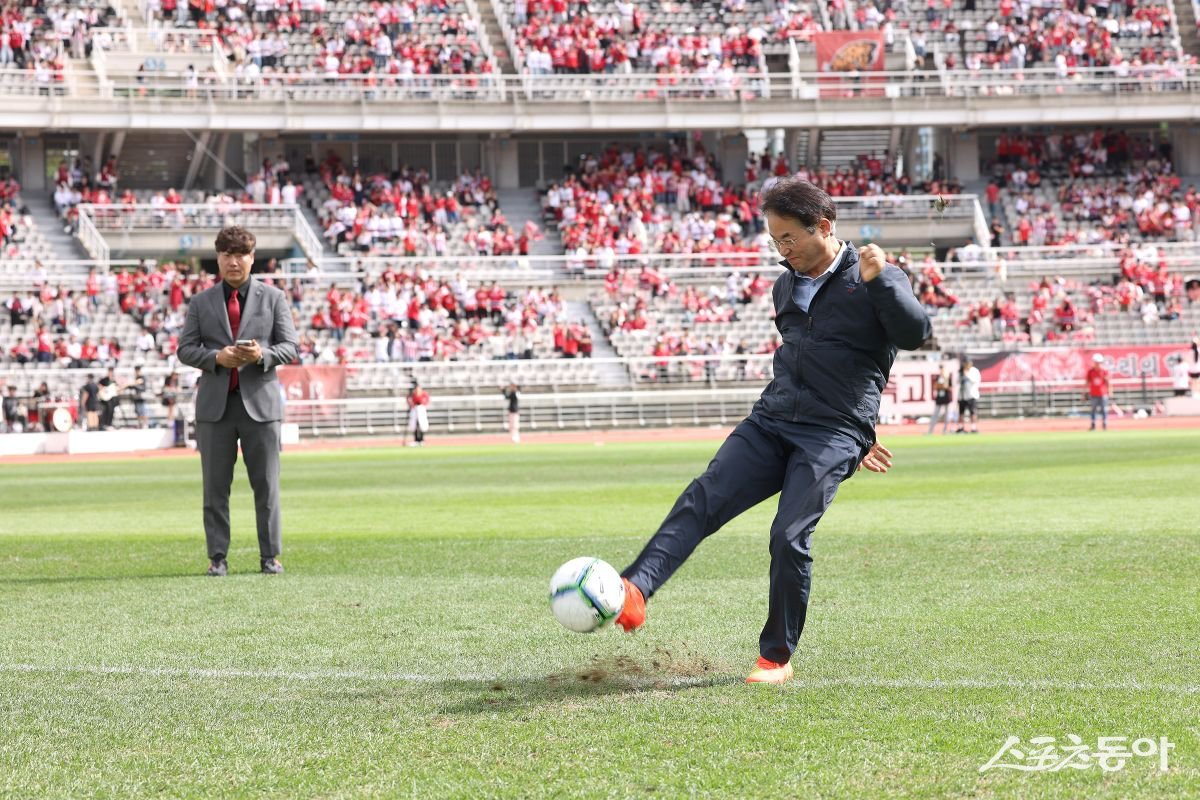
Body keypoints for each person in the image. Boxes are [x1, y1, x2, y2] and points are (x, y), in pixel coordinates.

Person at [611, 178, 931, 685]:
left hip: (831, 434)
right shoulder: (785, 284)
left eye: (789, 239)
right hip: (772, 419)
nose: (782, 250)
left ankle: (775, 657)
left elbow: (914, 334)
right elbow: (811, 360)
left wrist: (883, 281)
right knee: (703, 497)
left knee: (788, 536)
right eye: (775, 240)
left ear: (823, 227)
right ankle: (636, 588)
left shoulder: (874, 277)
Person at [178, 226, 299, 577]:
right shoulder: (201, 302)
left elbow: (290, 347)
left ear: (252, 257)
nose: (234, 261)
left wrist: (262, 355)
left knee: (267, 486)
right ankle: (217, 558)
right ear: (218, 258)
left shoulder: (273, 298)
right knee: (215, 488)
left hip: (260, 406)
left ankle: (270, 556)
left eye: (240, 255)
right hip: (216, 408)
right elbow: (185, 349)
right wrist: (216, 358)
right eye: (227, 255)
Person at [1086, 353, 1110, 430]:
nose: (1098, 364)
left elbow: (1108, 382)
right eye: (1096, 362)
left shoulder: (1104, 371)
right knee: (1093, 410)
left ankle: (1104, 423)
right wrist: (1084, 392)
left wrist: (1110, 391)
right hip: (1093, 394)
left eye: (1099, 363)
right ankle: (1093, 424)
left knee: (1104, 410)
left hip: (1103, 394)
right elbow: (1087, 382)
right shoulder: (1090, 372)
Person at [956, 358, 981, 433]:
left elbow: (975, 381)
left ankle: (973, 428)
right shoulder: (960, 371)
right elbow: (956, 381)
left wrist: (967, 375)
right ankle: (961, 428)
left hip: (971, 395)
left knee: (972, 412)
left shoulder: (974, 371)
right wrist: (962, 375)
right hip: (962, 396)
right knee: (961, 413)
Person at [927, 363, 953, 435]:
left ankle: (945, 430)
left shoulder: (948, 377)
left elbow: (950, 387)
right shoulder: (938, 377)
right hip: (939, 397)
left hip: (946, 397)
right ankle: (930, 430)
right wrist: (939, 386)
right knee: (935, 414)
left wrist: (945, 386)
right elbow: (935, 386)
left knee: (946, 414)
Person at [406, 381, 430, 446]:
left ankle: (421, 440)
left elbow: (426, 401)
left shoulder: (424, 394)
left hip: (421, 408)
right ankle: (416, 440)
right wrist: (412, 404)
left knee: (422, 424)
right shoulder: (412, 394)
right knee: (414, 424)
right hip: (414, 409)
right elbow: (408, 399)